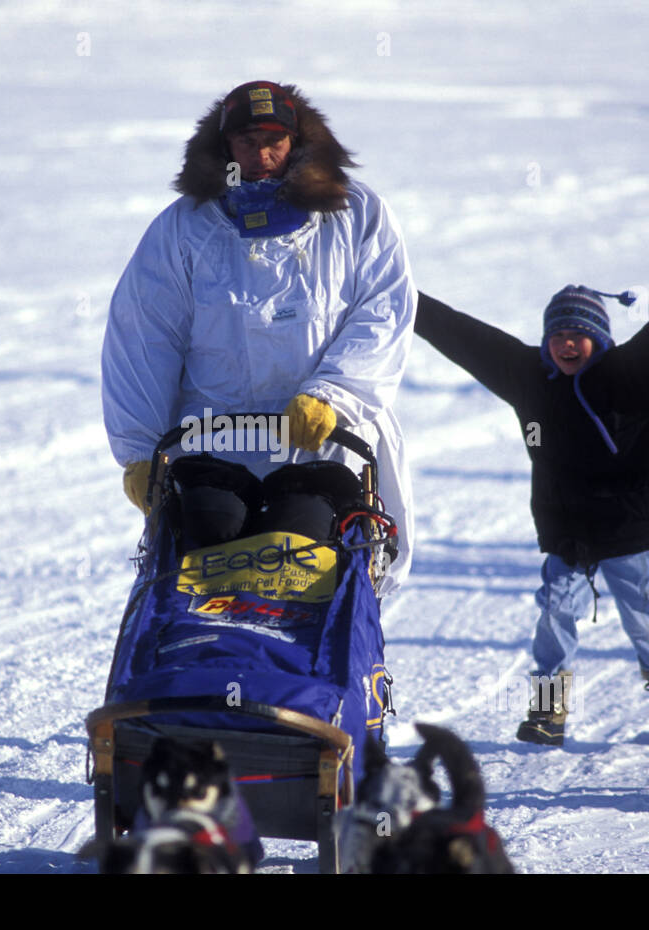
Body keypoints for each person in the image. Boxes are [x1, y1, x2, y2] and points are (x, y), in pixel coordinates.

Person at [101, 80, 416, 593]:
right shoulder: (184, 230)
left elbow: (383, 313)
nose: (262, 155)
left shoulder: (355, 215)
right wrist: (140, 450)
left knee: (308, 577)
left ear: (297, 141)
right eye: (247, 141)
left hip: (324, 444)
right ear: (225, 147)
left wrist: (333, 396)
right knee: (206, 577)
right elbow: (143, 339)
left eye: (275, 140)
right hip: (214, 450)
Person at [415, 272, 649, 746]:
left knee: (644, 616)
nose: (566, 345)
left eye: (578, 335)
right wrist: (407, 298)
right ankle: (548, 706)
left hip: (630, 523)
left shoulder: (630, 375)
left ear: (598, 338)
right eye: (557, 335)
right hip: (569, 525)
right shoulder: (530, 379)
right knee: (555, 611)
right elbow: (466, 336)